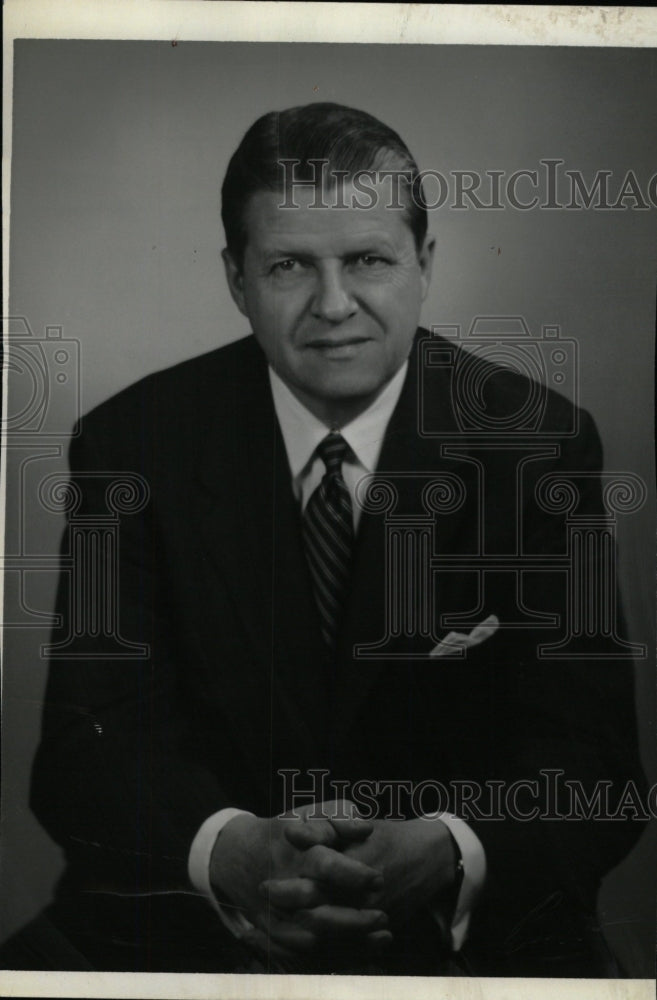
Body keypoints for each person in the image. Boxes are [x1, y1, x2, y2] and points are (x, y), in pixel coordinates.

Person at [14, 103, 647, 976]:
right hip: (187, 927)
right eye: (288, 266)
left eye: (367, 260)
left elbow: (596, 769)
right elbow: (86, 752)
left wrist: (447, 847)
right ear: (236, 279)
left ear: (423, 265)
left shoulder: (539, 443)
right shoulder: (130, 445)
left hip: (465, 939)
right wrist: (235, 856)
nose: (333, 305)